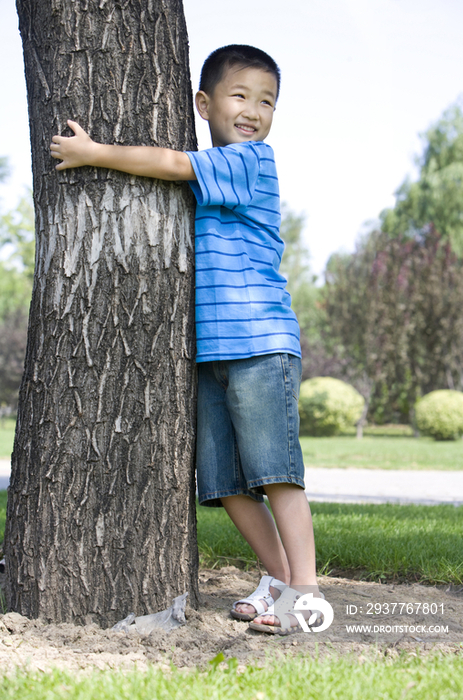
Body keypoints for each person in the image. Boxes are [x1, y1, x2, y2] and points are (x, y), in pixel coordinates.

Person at [50, 44, 325, 635]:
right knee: (224, 483)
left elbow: (173, 165)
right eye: (240, 95)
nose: (254, 110)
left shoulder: (251, 160)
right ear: (204, 103)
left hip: (258, 342)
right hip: (213, 353)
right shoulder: (217, 167)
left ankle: (305, 592)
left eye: (267, 101)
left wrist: (94, 153)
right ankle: (277, 580)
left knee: (276, 472)